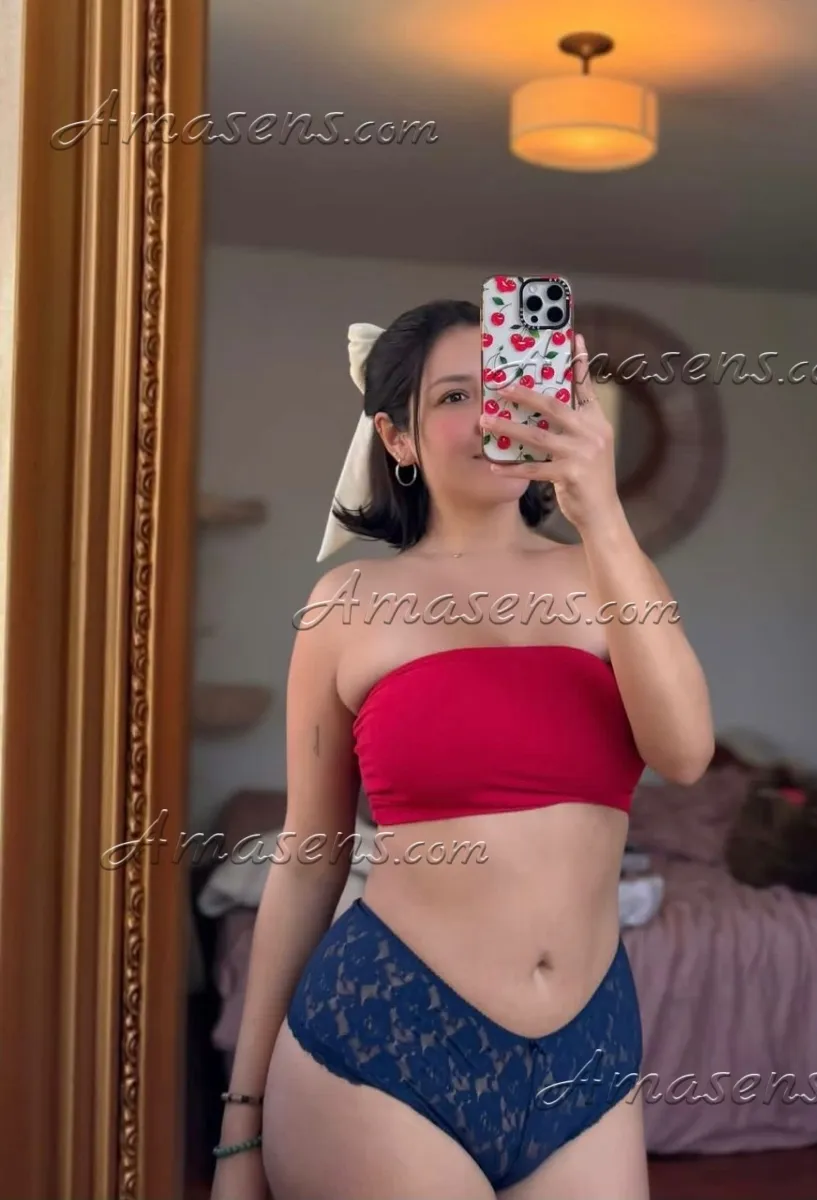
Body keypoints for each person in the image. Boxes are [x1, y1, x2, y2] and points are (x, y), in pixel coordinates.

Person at [210, 297, 713, 1200]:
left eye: (509, 387)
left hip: (588, 1050)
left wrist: (600, 513)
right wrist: (239, 1122)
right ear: (395, 437)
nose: (490, 414)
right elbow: (310, 857)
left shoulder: (609, 574)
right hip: (385, 1041)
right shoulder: (347, 603)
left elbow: (683, 754)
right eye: (454, 396)